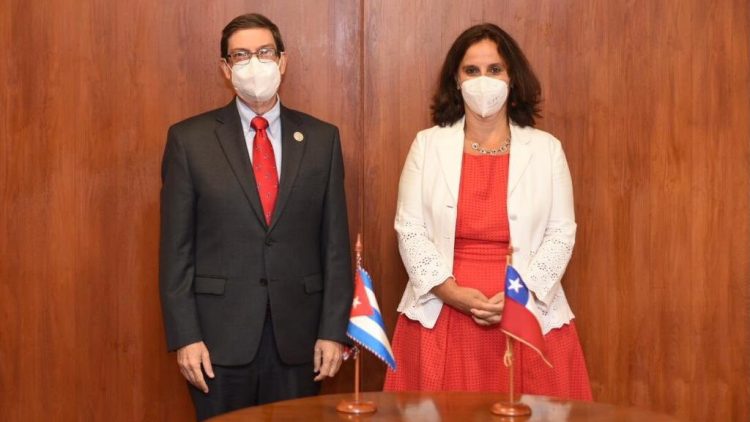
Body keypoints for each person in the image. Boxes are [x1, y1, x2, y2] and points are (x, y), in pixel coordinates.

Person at [159, 13, 353, 420]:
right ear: (225, 69)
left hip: (301, 341)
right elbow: (176, 251)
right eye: (241, 55)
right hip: (217, 342)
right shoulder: (188, 140)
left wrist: (333, 332)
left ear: (282, 61)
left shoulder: (322, 139)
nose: (254, 63)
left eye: (264, 52)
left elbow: (335, 245)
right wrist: (186, 337)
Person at [384, 23, 592, 400]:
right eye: (472, 70)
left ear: (513, 78)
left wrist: (520, 295)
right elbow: (409, 230)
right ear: (456, 79)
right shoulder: (427, 145)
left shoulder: (546, 149)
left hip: (526, 312)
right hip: (442, 311)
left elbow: (562, 234)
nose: (484, 81)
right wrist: (451, 292)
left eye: (494, 70)